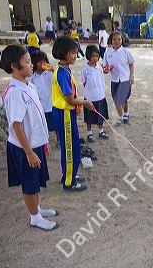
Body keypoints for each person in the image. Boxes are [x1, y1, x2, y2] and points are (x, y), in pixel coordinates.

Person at [0, 44, 58, 231]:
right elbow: (16, 124)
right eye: (28, 62)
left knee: (36, 180)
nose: (31, 65)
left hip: (34, 144)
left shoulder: (28, 84)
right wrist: (29, 152)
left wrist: (42, 142)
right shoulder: (15, 92)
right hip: (24, 148)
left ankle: (37, 209)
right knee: (29, 183)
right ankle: (35, 218)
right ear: (14, 66)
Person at [51, 36, 95, 192]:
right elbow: (70, 100)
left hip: (66, 114)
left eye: (76, 52)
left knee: (74, 145)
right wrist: (85, 102)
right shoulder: (62, 73)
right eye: (72, 53)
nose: (75, 56)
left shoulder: (64, 69)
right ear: (63, 53)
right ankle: (69, 182)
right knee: (69, 148)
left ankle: (70, 175)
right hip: (64, 114)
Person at [103, 31, 135, 125]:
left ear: (122, 40)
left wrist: (132, 76)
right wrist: (106, 69)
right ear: (111, 40)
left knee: (122, 99)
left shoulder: (125, 52)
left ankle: (125, 114)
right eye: (114, 39)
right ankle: (122, 116)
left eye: (119, 39)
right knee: (116, 100)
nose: (117, 41)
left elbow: (131, 64)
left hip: (125, 79)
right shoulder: (107, 52)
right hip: (114, 80)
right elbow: (105, 67)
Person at [30, 50, 60, 147]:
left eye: (44, 61)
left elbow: (59, 78)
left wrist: (52, 70)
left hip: (51, 104)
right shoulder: (32, 77)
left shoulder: (50, 73)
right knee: (42, 125)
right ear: (34, 63)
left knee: (56, 124)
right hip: (40, 107)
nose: (43, 63)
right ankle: (44, 143)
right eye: (40, 61)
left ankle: (59, 139)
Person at [81, 45, 110, 142]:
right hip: (90, 98)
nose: (95, 58)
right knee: (89, 117)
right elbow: (84, 83)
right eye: (93, 56)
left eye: (97, 56)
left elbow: (101, 78)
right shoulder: (85, 69)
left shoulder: (99, 67)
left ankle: (101, 131)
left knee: (100, 115)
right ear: (88, 56)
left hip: (100, 96)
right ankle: (89, 133)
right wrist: (90, 91)